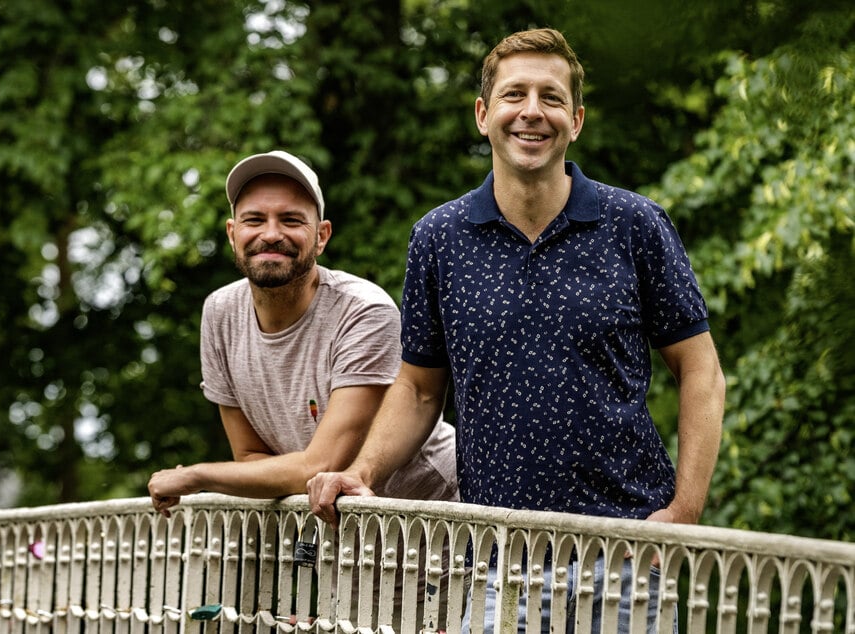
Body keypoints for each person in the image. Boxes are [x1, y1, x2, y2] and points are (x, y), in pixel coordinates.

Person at [307, 28, 726, 633]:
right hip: (495, 556)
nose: (532, 112)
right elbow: (421, 389)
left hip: (626, 550)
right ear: (484, 114)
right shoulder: (438, 238)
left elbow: (701, 371)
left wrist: (683, 512)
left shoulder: (635, 224)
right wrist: (363, 473)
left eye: (551, 98)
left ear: (575, 121)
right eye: (514, 95)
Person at [148, 150, 457, 517]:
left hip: (439, 517)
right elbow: (249, 457)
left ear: (321, 236)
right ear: (233, 234)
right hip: (347, 538)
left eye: (291, 220)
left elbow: (320, 465)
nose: (272, 233)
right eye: (254, 219)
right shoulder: (220, 313)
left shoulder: (363, 311)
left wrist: (195, 476)